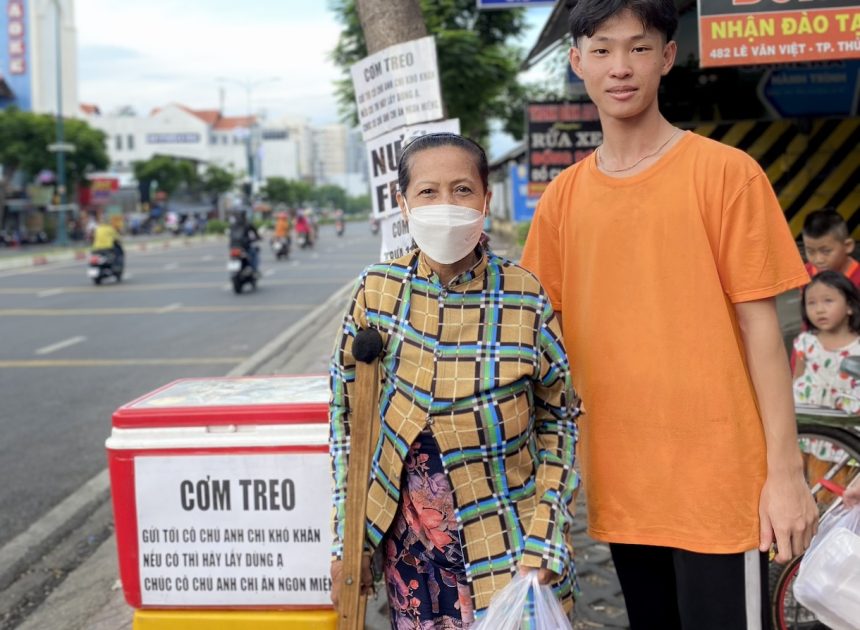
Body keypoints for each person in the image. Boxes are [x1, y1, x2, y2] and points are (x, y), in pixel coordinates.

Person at [519, 2, 818, 628]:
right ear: (577, 62)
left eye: (638, 47)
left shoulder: (726, 175)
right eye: (602, 50)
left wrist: (785, 476)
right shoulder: (563, 201)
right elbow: (538, 343)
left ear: (667, 56)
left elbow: (762, 330)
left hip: (719, 479)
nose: (620, 67)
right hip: (623, 480)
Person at [328, 132, 580, 628]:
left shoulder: (523, 296)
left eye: (462, 190)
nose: (446, 204)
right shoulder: (377, 292)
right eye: (428, 191)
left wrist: (547, 535)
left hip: (510, 546)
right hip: (410, 558)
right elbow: (346, 419)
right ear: (403, 204)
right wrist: (346, 540)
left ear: (486, 199)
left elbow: (561, 417)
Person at [792, 271, 860, 413]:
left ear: (849, 306)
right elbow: (797, 377)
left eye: (828, 300)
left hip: (847, 422)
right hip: (811, 418)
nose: (819, 310)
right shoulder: (805, 342)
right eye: (811, 303)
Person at [801, 208, 860, 289]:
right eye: (811, 252)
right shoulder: (805, 275)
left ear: (848, 246)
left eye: (826, 251)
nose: (818, 260)